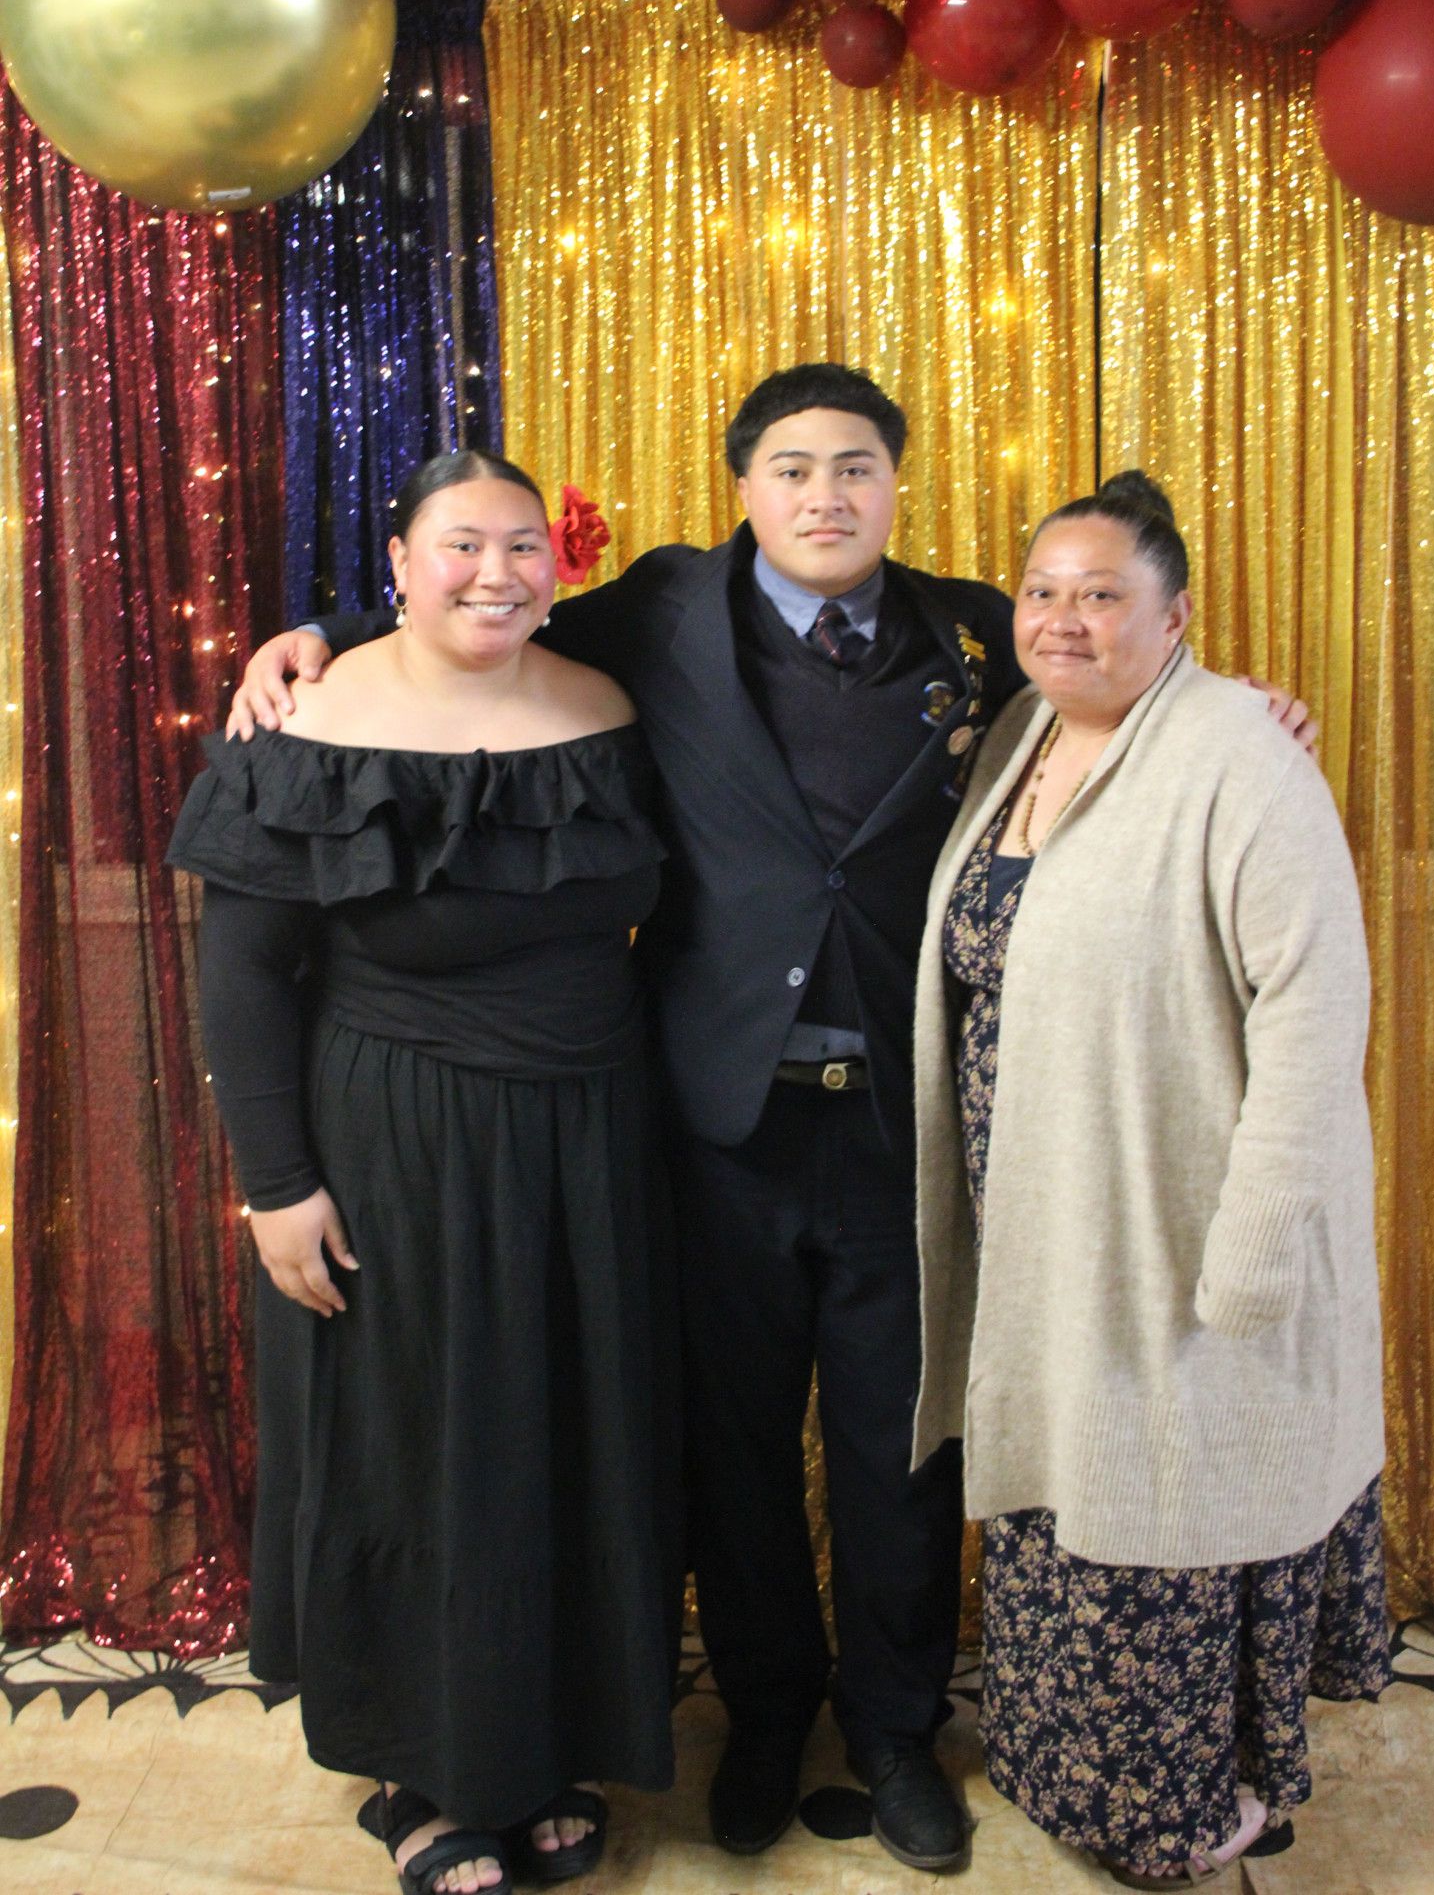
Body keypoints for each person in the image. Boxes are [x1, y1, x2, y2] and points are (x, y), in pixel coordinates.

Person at [229, 368, 1316, 1875]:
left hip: (905, 1131)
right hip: (707, 1129)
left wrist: (1240, 703)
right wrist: (316, 635)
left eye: (855, 467)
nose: (825, 494)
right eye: (792, 468)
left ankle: (893, 1732)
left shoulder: (977, 630)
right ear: (742, 487)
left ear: (896, 485)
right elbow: (479, 609)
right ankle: (761, 1716)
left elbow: (1113, 666)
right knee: (731, 1452)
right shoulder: (660, 613)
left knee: (899, 1456)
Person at [170, 450, 679, 1895]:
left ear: (557, 564)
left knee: (566, 1440)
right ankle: (420, 1773)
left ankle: (550, 1742)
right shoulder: (309, 720)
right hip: (390, 1140)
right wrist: (277, 1184)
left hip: (590, 1136)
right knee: (409, 1449)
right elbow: (243, 977)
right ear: (395, 563)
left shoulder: (613, 702)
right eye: (460, 545)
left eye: (523, 545)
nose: (494, 573)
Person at [910, 472, 1389, 1887]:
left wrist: (1257, 1239)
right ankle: (1059, 1766)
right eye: (1041, 591)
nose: (1064, 618)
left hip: (1171, 1224)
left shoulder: (1239, 754)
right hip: (1040, 1217)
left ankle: (1177, 1805)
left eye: (1103, 594)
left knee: (1162, 1503)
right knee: (1059, 1487)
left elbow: (1316, 1010)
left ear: (1173, 618)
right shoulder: (1016, 735)